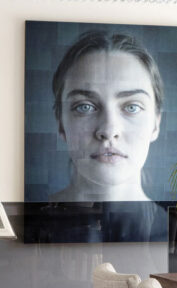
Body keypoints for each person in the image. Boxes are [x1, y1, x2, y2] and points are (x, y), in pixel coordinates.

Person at [50, 30, 164, 202]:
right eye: (85, 107)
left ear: (155, 124)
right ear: (61, 124)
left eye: (132, 107)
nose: (109, 130)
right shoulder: (26, 225)